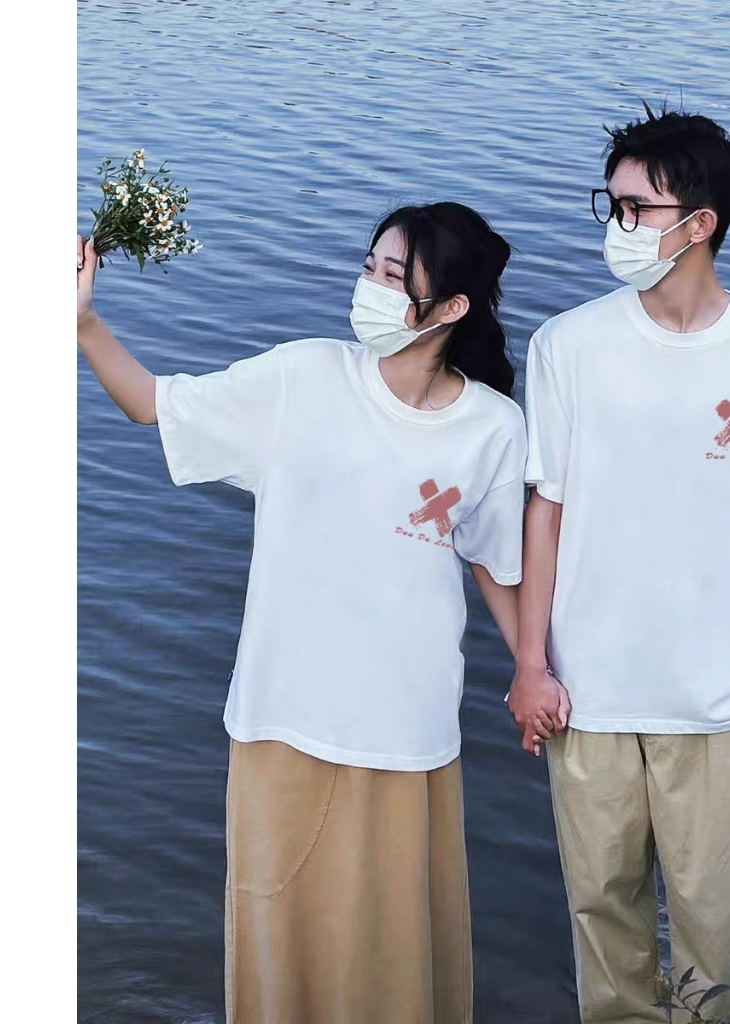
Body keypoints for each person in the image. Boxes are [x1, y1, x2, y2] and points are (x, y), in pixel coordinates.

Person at [76, 200, 527, 1024]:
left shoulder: (493, 428)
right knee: (278, 926)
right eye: (369, 267)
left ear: (451, 307)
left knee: (393, 941)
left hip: (405, 723)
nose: (370, 287)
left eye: (394, 277)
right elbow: (154, 405)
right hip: (285, 710)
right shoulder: (304, 377)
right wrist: (83, 323)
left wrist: (534, 673)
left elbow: (501, 567)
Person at [507, 105, 730, 1023]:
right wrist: (532, 666)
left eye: (636, 209)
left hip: (721, 697)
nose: (616, 225)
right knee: (602, 912)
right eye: (611, 205)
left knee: (720, 928)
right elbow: (545, 512)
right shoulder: (568, 346)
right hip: (590, 692)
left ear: (701, 223)